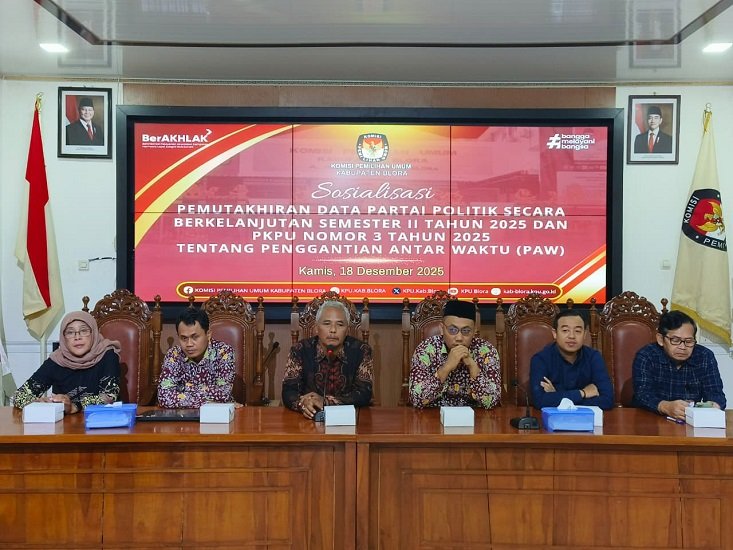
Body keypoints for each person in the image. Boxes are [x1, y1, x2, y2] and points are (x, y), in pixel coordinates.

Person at [12, 311, 121, 414]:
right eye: (70, 332)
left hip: (103, 420)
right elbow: (19, 396)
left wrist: (74, 406)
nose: (77, 337)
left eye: (84, 331)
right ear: (63, 337)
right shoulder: (57, 360)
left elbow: (109, 397)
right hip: (65, 424)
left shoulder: (107, 355)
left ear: (94, 333)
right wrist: (39, 403)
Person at [282, 300, 374, 419]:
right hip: (308, 419)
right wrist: (304, 403)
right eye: (327, 323)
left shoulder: (361, 350)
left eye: (340, 324)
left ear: (347, 330)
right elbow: (289, 391)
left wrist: (325, 402)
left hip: (349, 420)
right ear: (316, 328)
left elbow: (363, 394)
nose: (333, 330)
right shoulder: (300, 350)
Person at [632, 310, 726, 420]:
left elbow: (716, 394)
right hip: (651, 419)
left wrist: (714, 405)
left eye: (689, 341)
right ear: (661, 339)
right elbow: (642, 394)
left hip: (689, 420)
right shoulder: (646, 356)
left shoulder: (704, 356)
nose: (682, 347)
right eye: (675, 340)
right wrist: (665, 406)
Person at [408, 300, 501, 409]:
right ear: (442, 329)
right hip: (434, 414)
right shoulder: (426, 349)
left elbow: (493, 401)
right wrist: (446, 367)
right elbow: (416, 399)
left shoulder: (486, 351)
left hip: (475, 415)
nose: (459, 338)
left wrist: (472, 366)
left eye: (466, 331)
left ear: (474, 331)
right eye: (452, 330)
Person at [529, 309, 614, 410]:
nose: (572, 336)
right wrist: (582, 393)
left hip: (586, 418)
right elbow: (540, 401)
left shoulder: (593, 357)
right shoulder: (541, 360)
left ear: (584, 334)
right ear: (555, 333)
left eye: (577, 331)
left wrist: (557, 396)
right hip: (554, 419)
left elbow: (607, 400)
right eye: (565, 330)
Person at [157, 308, 235, 408]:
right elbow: (164, 397)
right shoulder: (174, 354)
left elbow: (224, 393)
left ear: (208, 334)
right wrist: (211, 399)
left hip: (218, 414)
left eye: (195, 337)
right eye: (184, 338)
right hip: (182, 415)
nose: (189, 344)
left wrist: (182, 387)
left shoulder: (224, 352)